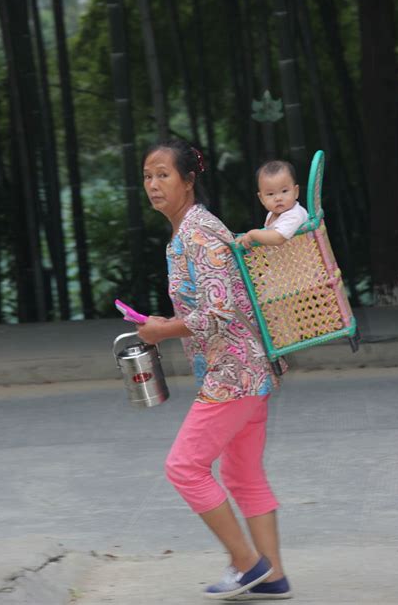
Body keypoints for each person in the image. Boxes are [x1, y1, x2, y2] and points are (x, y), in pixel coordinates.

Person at [137, 138, 292, 600]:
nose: (153, 184)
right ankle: (274, 577)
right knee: (244, 476)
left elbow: (219, 312)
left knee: (184, 467)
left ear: (188, 180)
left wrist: (165, 331)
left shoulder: (198, 232)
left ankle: (247, 564)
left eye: (163, 174)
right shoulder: (187, 229)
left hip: (234, 373)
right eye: (147, 175)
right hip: (249, 370)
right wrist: (168, 325)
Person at [236, 160, 308, 250]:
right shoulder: (271, 214)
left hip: (303, 262)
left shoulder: (294, 215)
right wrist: (246, 237)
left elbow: (278, 238)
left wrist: (252, 234)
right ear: (261, 199)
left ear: (296, 192)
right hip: (286, 262)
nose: (278, 198)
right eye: (270, 194)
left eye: (284, 191)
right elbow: (267, 236)